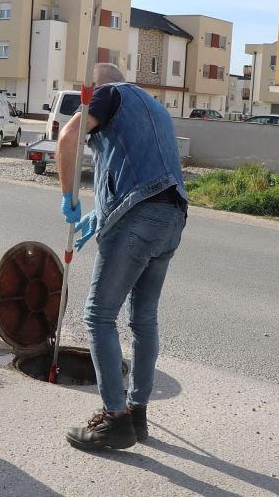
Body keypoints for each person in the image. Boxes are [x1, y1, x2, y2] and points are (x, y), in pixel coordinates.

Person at [56, 62, 188, 450]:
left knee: (98, 316)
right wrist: (102, 213)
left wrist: (69, 196)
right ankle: (137, 415)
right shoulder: (155, 106)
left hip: (140, 218)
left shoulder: (109, 93)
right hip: (172, 217)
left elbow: (67, 138)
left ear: (93, 87)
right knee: (143, 319)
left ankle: (114, 419)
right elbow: (141, 167)